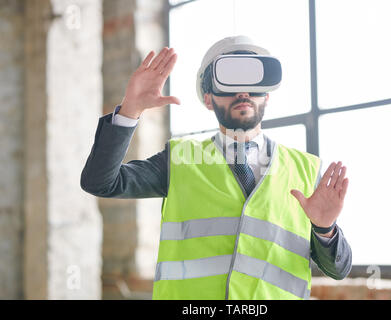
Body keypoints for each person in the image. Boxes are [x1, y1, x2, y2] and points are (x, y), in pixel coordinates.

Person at [81, 36, 352, 300]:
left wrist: (325, 229)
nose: (243, 92)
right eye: (230, 82)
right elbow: (101, 182)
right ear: (208, 98)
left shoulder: (306, 170)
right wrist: (130, 109)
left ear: (267, 96)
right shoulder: (180, 159)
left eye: (252, 82)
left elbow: (338, 270)